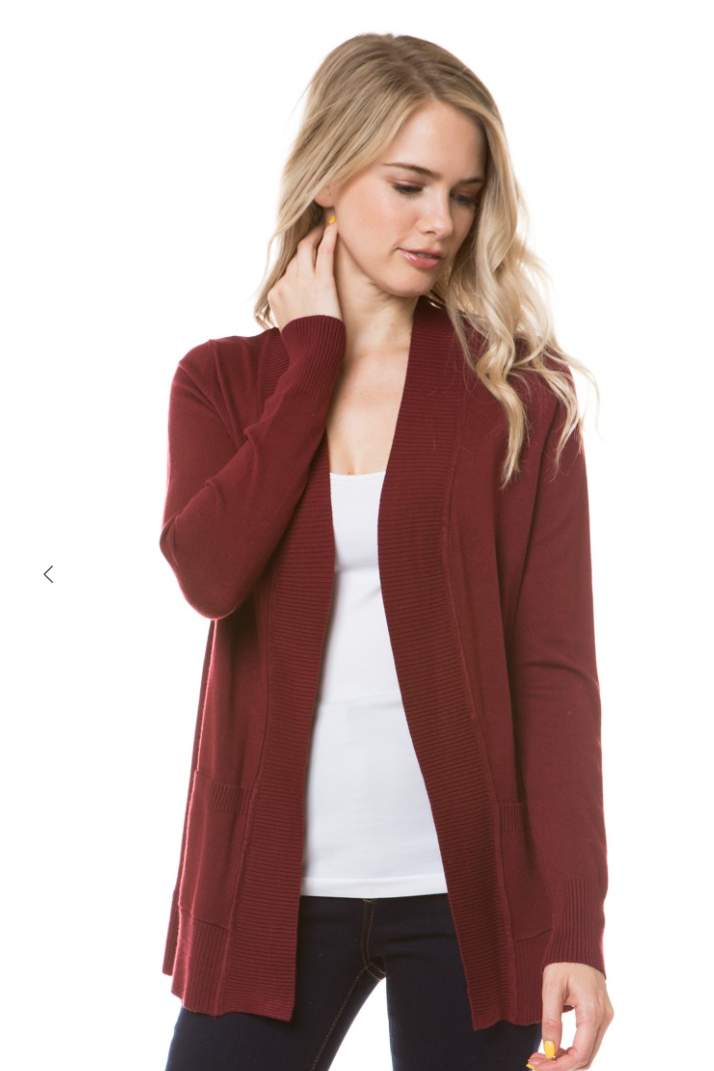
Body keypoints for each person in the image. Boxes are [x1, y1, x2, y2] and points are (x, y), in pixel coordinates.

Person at [159, 32, 614, 1071]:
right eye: (409, 185)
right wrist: (311, 357)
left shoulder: (519, 396)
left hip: (472, 900)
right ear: (328, 175)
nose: (440, 222)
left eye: (463, 194)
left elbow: (554, 676)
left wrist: (574, 929)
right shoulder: (223, 383)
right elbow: (211, 574)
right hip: (271, 893)